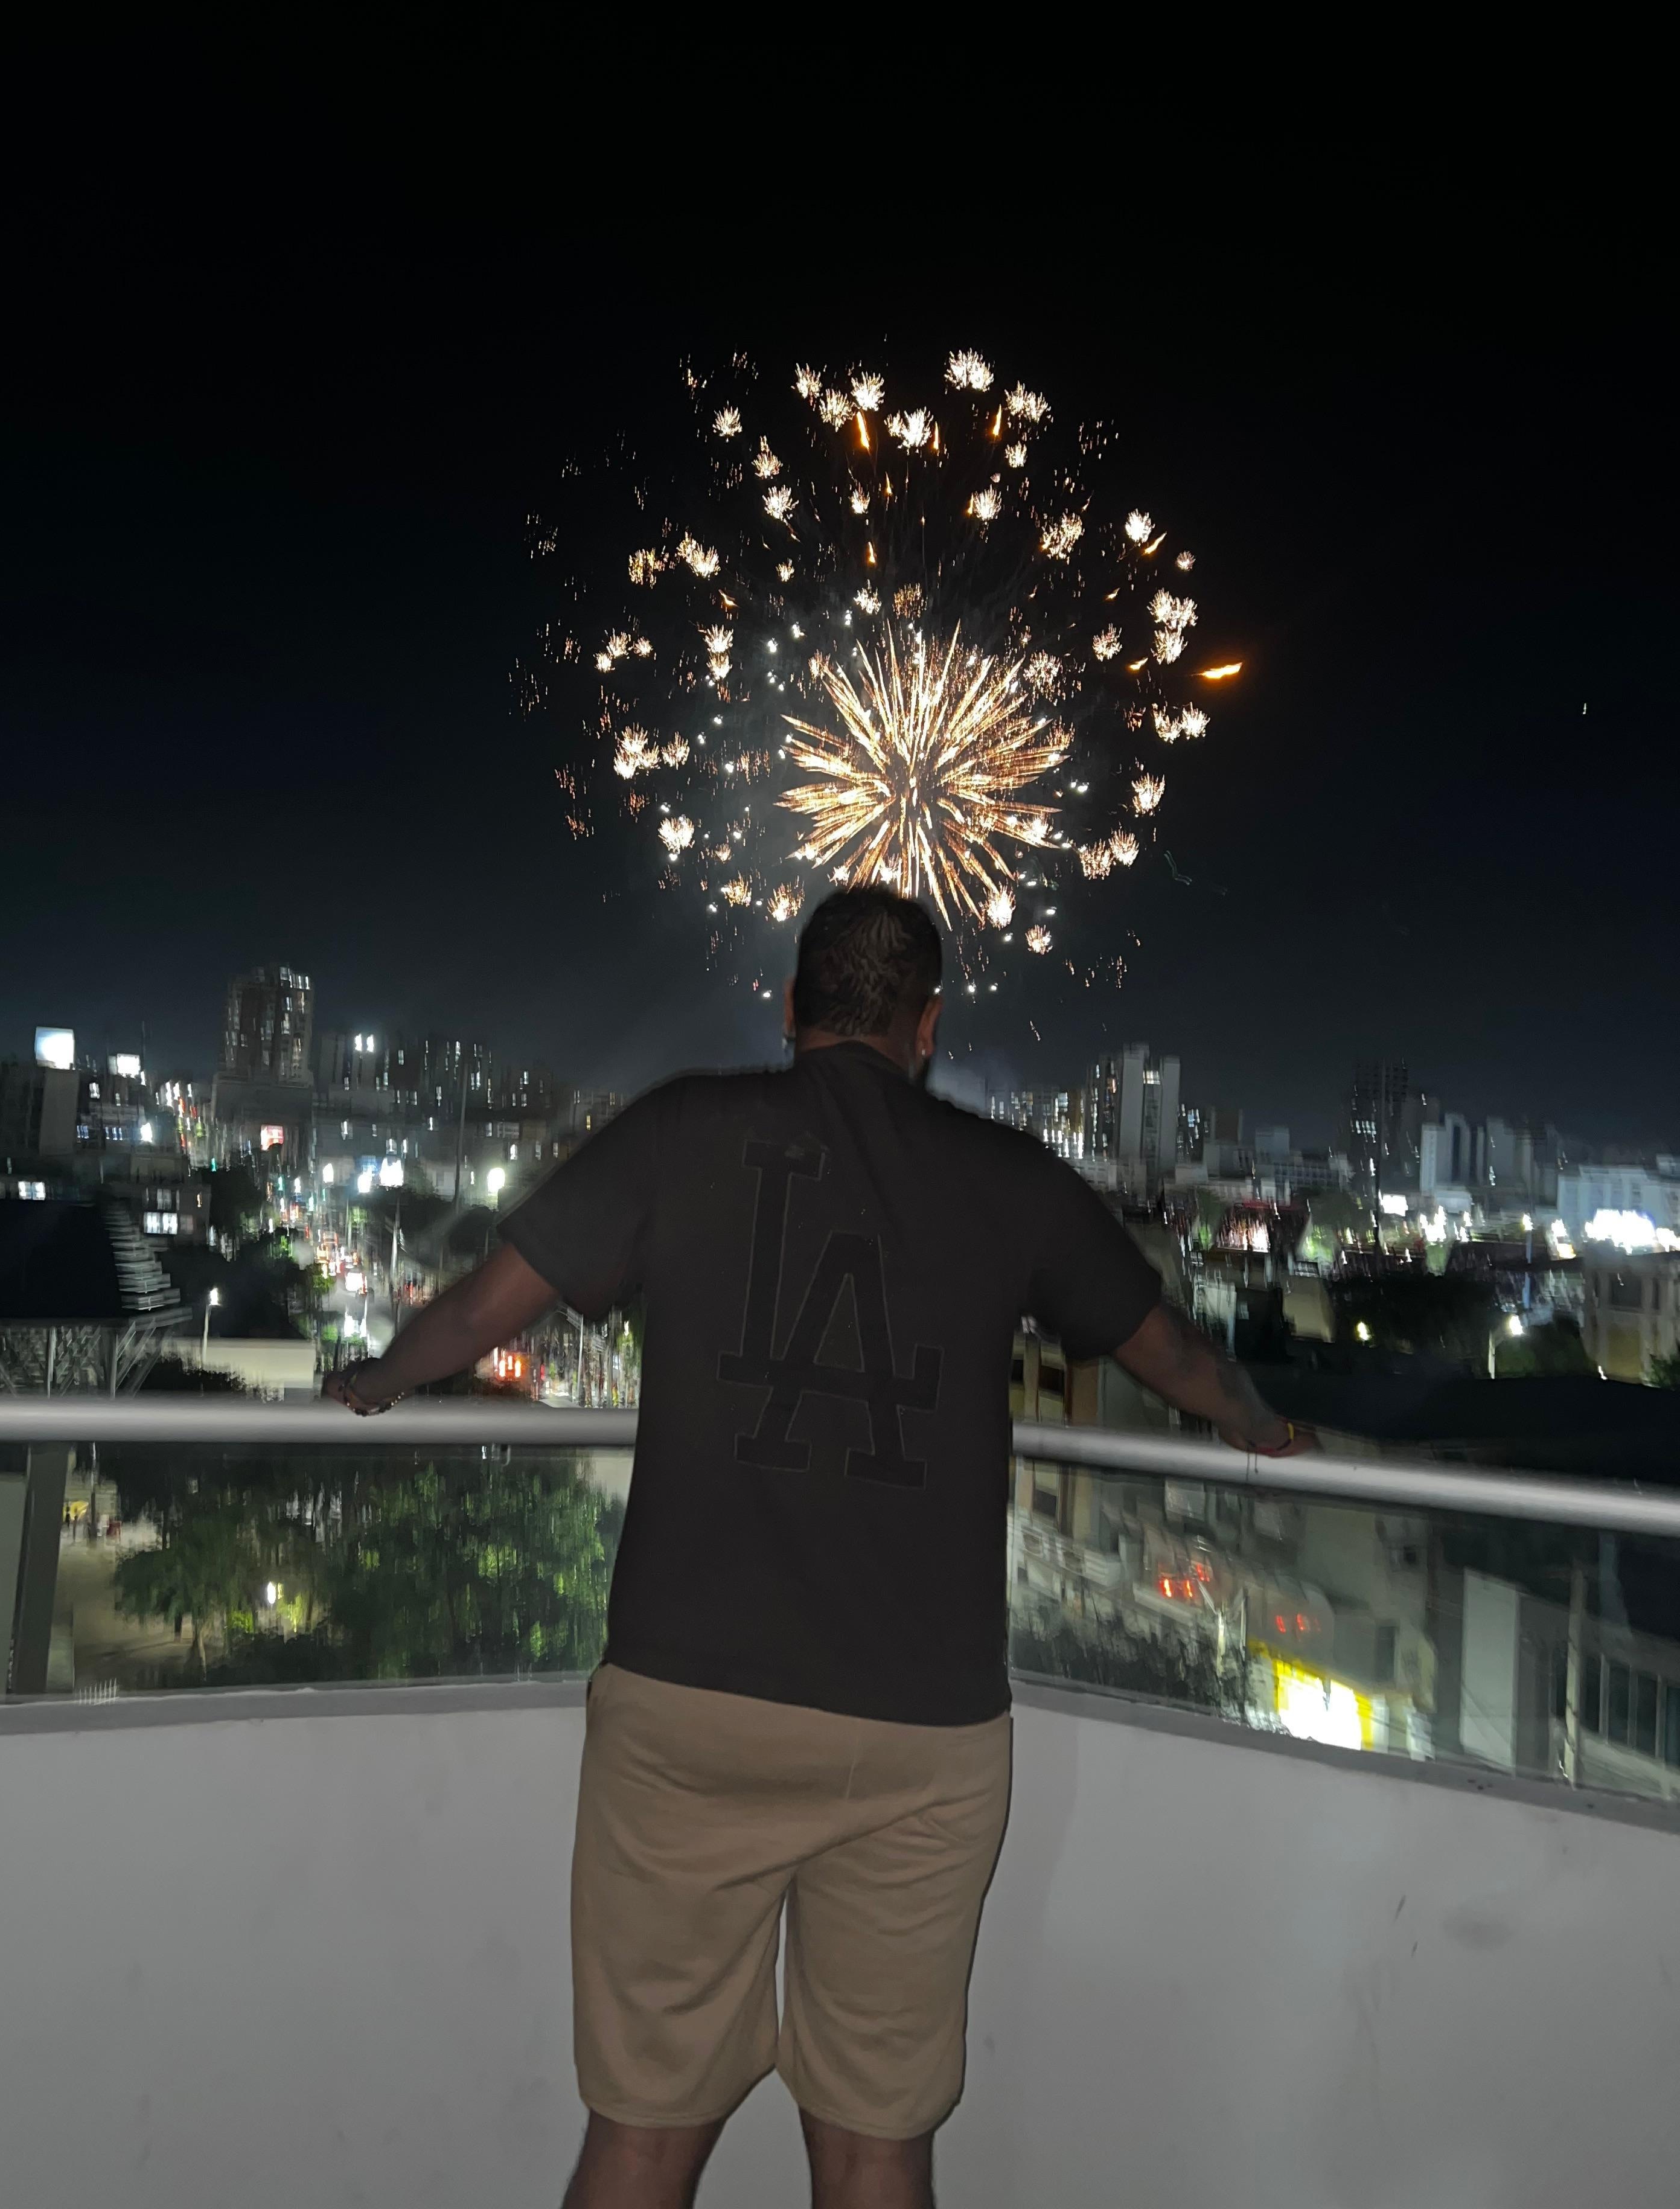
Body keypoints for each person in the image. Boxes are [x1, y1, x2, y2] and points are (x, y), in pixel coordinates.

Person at [327, 887, 1311, 2209]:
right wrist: (1260, 1424)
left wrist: (380, 1376)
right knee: (875, 2143)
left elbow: (476, 1310)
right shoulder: (1011, 1178)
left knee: (639, 2133)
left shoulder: (681, 1130)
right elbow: (1176, 1355)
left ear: (790, 1012)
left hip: (688, 1706)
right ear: (928, 1028)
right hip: (922, 1735)